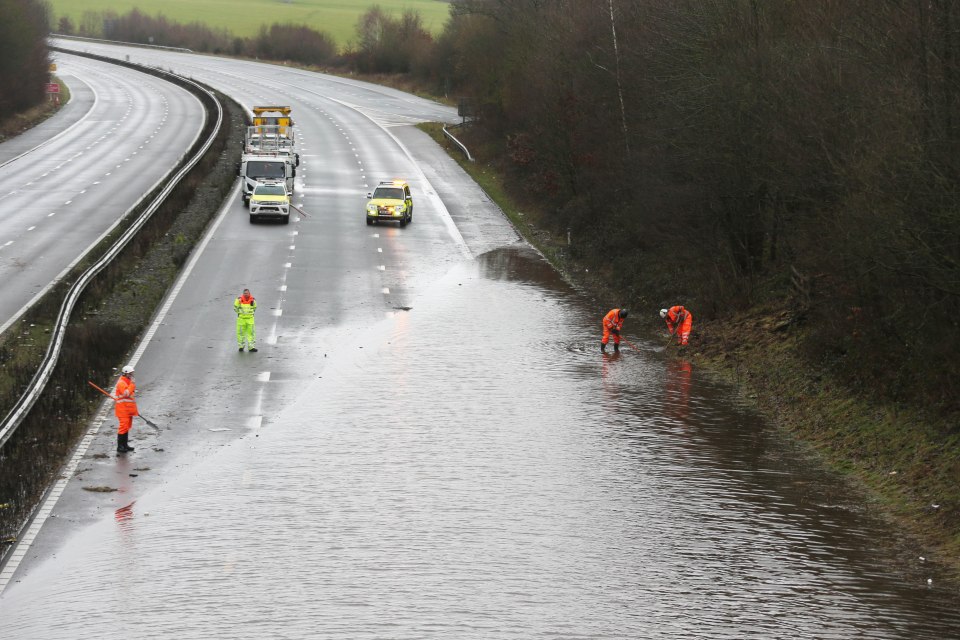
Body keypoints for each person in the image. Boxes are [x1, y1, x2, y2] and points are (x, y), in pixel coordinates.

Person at [114, 365, 138, 453]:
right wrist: (132, 384)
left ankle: (125, 445)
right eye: (130, 374)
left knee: (127, 427)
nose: (132, 375)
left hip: (128, 409)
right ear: (126, 374)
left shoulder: (127, 381)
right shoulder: (121, 383)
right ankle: (120, 446)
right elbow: (126, 393)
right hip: (123, 409)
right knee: (123, 427)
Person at [234, 288, 258, 352]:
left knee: (251, 334)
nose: (245, 294)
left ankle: (251, 347)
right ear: (243, 294)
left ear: (249, 293)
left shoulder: (253, 300)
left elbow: (255, 308)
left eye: (246, 293)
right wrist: (240, 314)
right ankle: (241, 347)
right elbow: (235, 308)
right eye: (244, 293)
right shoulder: (239, 300)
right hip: (241, 320)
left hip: (250, 319)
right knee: (240, 334)